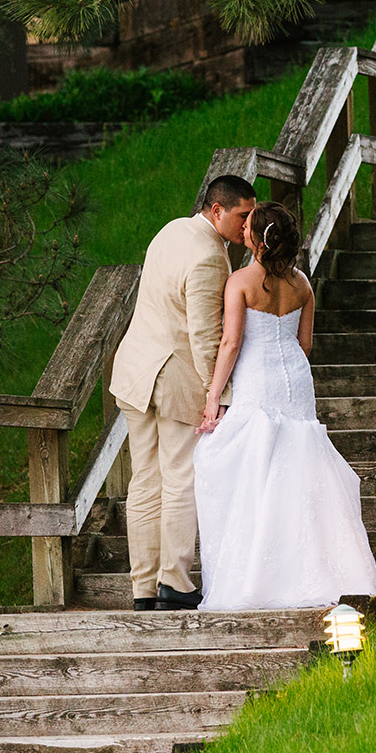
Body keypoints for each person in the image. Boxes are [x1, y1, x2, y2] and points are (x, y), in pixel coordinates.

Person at [192, 201, 376, 610]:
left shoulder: (240, 281)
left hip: (257, 378)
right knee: (298, 464)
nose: (241, 231)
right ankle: (318, 565)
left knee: (249, 463)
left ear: (258, 240)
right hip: (296, 378)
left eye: (248, 228)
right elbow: (306, 344)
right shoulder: (302, 285)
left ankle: (257, 572)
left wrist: (212, 398)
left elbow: (230, 343)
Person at [108, 175, 256, 611]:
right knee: (177, 479)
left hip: (136, 371)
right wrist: (219, 394)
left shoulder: (171, 230)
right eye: (242, 216)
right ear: (217, 211)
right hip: (172, 379)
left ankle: (143, 588)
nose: (247, 226)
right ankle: (174, 581)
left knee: (144, 481)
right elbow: (205, 337)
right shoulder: (211, 255)